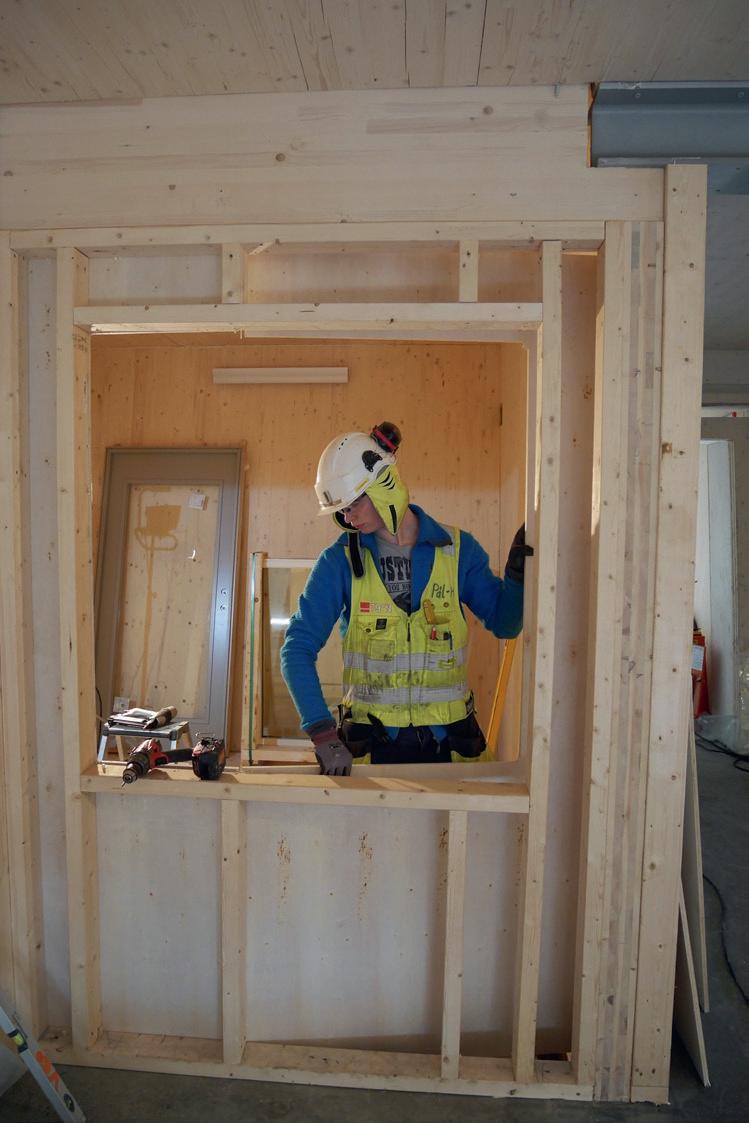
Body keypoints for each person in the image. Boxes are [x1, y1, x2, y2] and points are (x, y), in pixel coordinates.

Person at [280, 422, 531, 775]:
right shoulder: (339, 562)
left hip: (451, 747)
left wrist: (518, 579)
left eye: (354, 503)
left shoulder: (457, 550)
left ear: (384, 483)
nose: (348, 518)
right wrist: (323, 734)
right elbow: (296, 649)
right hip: (372, 751)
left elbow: (505, 624)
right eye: (342, 511)